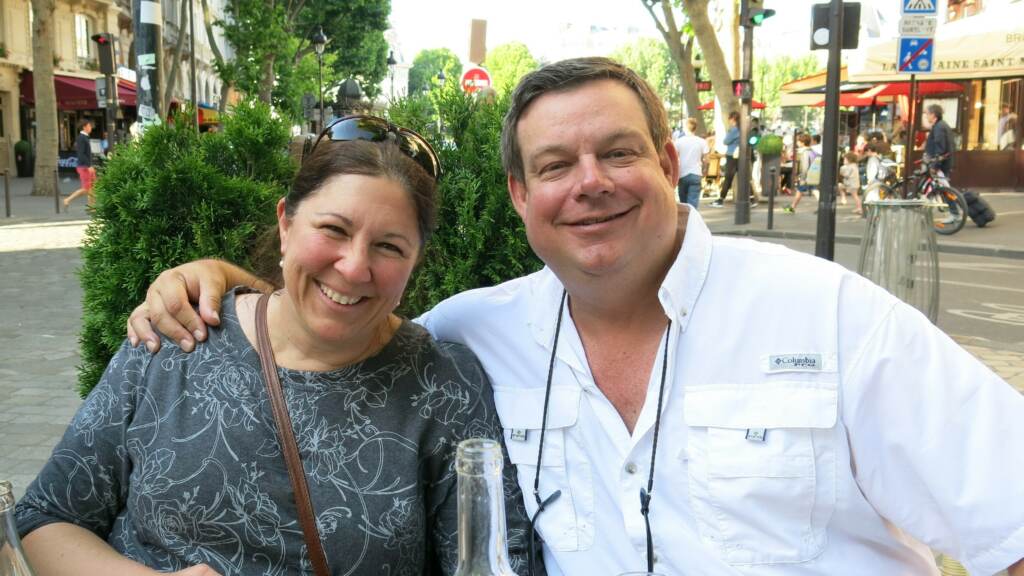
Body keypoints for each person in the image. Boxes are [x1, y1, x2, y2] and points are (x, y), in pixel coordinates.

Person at [126, 58, 1024, 576]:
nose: (588, 182)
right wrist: (220, 282)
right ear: (520, 196)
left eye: (618, 151)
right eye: (554, 165)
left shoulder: (828, 317)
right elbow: (341, 313)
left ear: (669, 163)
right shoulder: (474, 332)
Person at [16, 116, 539, 576]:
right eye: (333, 229)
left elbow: (494, 561)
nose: (355, 267)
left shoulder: (443, 385)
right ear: (286, 223)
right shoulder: (176, 339)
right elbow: (44, 519)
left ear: (415, 262)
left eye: (388, 246)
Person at [673, 117, 708, 210]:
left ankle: (686, 221)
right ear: (695, 128)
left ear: (685, 128)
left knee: (683, 204)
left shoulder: (678, 142)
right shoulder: (702, 142)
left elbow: (674, 159)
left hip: (682, 174)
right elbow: (706, 159)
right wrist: (705, 170)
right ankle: (692, 221)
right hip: (696, 173)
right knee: (693, 204)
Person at [64, 120, 96, 210]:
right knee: (86, 188)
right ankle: (67, 199)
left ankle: (92, 207)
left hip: (87, 165)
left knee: (93, 187)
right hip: (84, 167)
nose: (91, 128)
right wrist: (89, 165)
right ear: (84, 127)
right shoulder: (81, 138)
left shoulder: (85, 137)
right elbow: (81, 154)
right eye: (89, 126)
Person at [783, 133, 815, 213]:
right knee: (811, 190)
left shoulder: (804, 152)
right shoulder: (811, 151)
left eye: (798, 141)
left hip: (805, 175)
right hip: (812, 174)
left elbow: (805, 166)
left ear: (802, 143)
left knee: (801, 190)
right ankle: (792, 206)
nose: (797, 143)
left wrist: (801, 176)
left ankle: (792, 207)